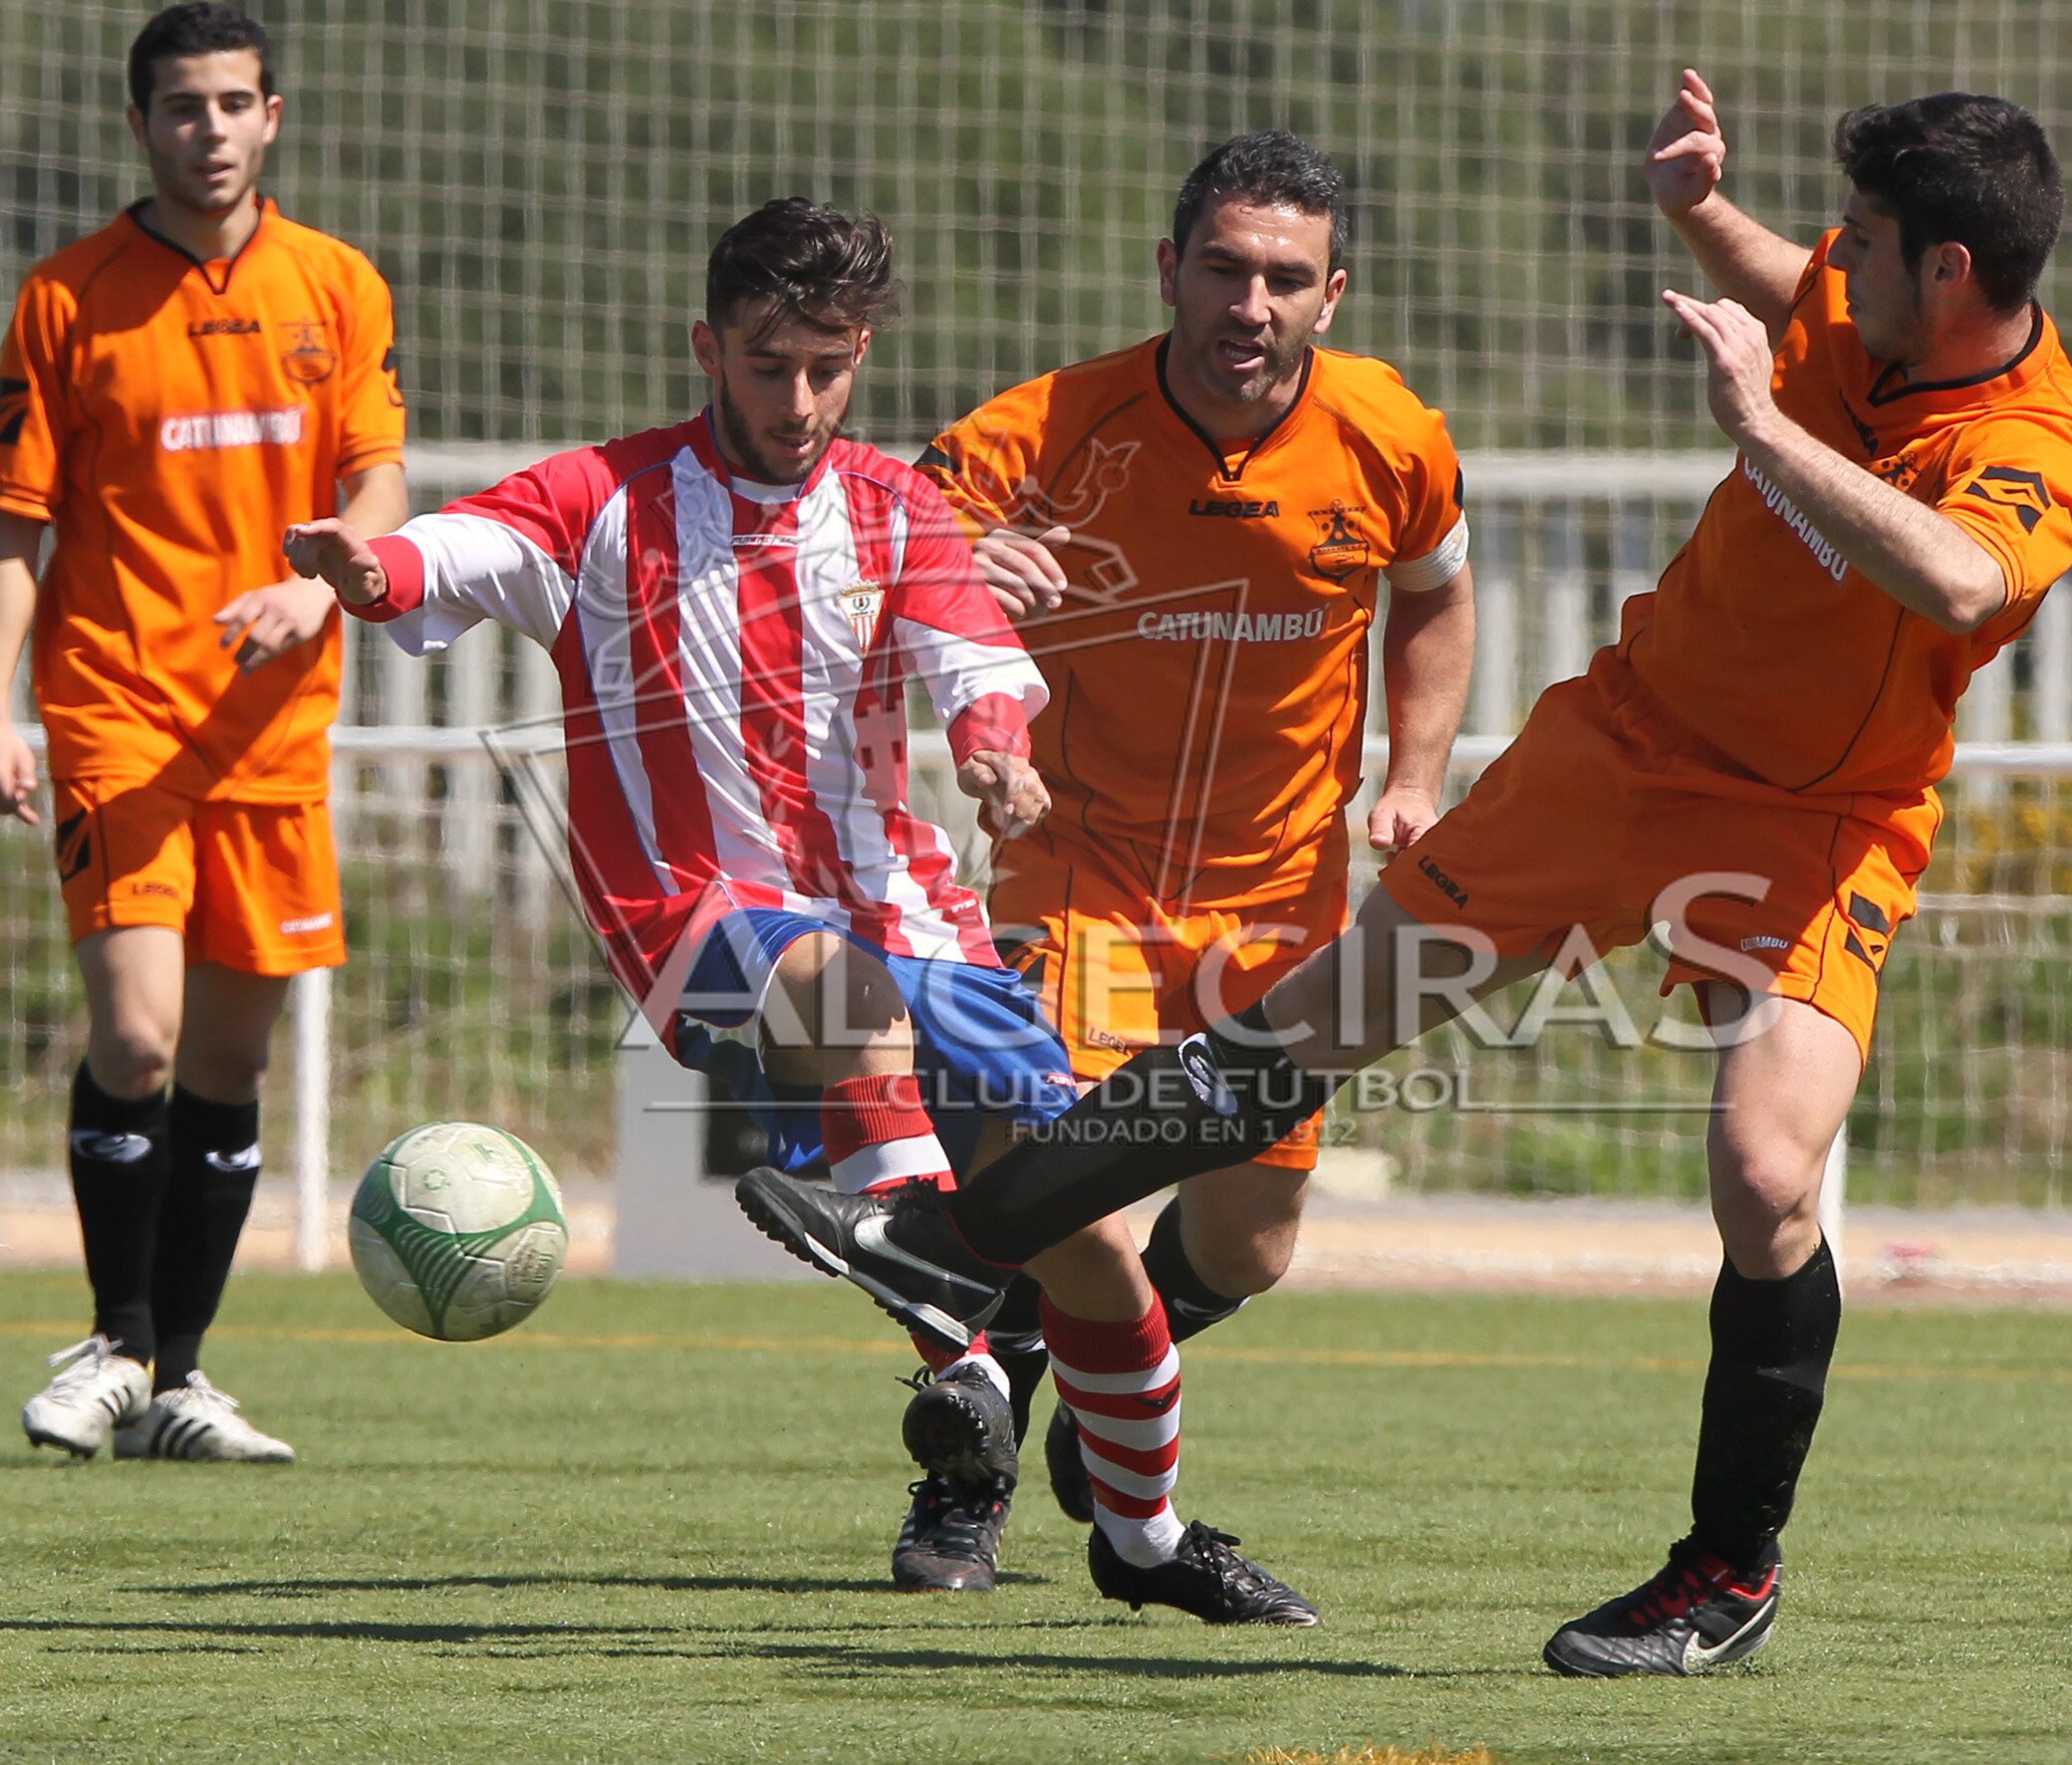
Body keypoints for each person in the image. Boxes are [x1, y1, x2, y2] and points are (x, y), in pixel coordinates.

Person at [740, 75, 2072, 1674]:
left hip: (1815, 823)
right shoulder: (1860, 302)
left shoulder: (2033, 444)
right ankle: (966, 1255)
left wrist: (1756, 428)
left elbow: (1954, 579)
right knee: (1309, 1030)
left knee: (1762, 1179)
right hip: (1618, 748)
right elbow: (1792, 286)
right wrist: (1693, 214)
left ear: (1945, 275)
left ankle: (1722, 1574)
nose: (1826, 264)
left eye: (1860, 242)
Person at [286, 196, 1315, 1625]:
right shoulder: (603, 500)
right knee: (843, 997)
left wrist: (997, 754)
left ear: (863, 353)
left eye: (828, 366)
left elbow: (977, 666)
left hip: (912, 913)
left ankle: (1142, 1540)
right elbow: (440, 558)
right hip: (696, 918)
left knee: (1090, 1237)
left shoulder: (898, 508)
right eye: (768, 365)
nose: (799, 398)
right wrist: (360, 562)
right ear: (708, 346)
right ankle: (943, 1309)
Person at [740, 130, 1475, 1599]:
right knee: (1052, 1202)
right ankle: (969, 1484)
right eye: (1222, 269)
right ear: (1169, 271)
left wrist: (1411, 775)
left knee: (1247, 1249)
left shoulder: (1392, 433)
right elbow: (871, 523)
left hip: (1282, 902)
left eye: (1283, 278)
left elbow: (1435, 597)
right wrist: (959, 554)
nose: (1248, 303)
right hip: (1080, 876)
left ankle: (1059, 1387)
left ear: (1332, 295)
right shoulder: (1059, 421)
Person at [3, 3, 409, 1462]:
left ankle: (180, 1375)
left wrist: (323, 589)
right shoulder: (66, 300)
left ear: (274, 117)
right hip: (116, 713)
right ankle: (110, 1344)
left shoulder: (338, 286)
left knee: (228, 1071)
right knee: (138, 1033)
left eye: (236, 103)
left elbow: (378, 479)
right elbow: (16, 533)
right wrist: (4, 704)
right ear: (141, 126)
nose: (211, 129)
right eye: (183, 106)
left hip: (271, 737)